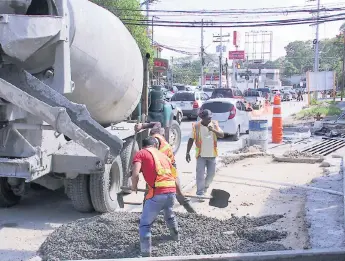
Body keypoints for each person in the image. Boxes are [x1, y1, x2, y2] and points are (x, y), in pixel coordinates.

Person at [131, 137, 182, 257]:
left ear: (144, 146)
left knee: (145, 224)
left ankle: (146, 254)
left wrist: (134, 186)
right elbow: (175, 178)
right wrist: (179, 193)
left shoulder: (141, 153)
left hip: (157, 193)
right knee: (169, 214)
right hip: (171, 192)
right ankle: (176, 238)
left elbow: (135, 174)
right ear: (155, 145)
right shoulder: (164, 156)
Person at [135, 122, 193, 210]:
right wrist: (142, 126)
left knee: (158, 188)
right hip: (165, 164)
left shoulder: (161, 152)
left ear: (155, 146)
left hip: (168, 165)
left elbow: (153, 167)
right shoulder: (154, 135)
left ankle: (182, 200)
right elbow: (157, 123)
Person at [186, 109, 224, 201]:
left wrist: (213, 130)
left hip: (212, 155)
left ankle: (205, 187)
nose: (209, 120)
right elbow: (191, 139)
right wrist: (187, 152)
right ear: (202, 118)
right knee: (200, 175)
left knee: (211, 174)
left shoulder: (214, 125)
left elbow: (222, 135)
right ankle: (200, 193)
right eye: (208, 118)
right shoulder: (196, 126)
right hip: (201, 155)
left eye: (210, 118)